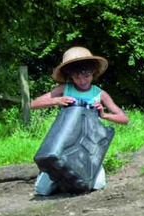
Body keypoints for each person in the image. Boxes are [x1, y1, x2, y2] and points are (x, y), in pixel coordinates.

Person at [31, 46, 129, 195]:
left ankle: (67, 181)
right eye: (77, 77)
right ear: (70, 76)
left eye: (86, 75)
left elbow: (124, 119)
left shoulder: (99, 94)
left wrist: (104, 115)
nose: (82, 80)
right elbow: (33, 104)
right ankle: (58, 181)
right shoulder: (65, 89)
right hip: (63, 146)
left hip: (88, 149)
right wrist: (57, 100)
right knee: (41, 190)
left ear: (93, 73)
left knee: (98, 185)